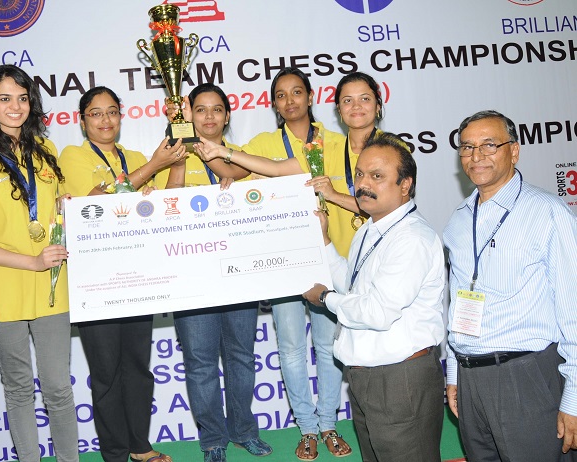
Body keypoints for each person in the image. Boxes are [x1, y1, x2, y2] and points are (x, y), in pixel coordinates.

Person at [194, 67, 356, 460]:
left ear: (310, 96)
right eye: (281, 95)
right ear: (273, 103)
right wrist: (206, 151)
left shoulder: (339, 141)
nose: (290, 101)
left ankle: (329, 424)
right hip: (285, 261)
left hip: (331, 255)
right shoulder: (264, 142)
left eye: (297, 92)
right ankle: (306, 428)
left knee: (328, 344)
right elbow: (234, 172)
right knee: (290, 347)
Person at [0, 64, 79, 462]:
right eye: (4, 98)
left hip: (53, 287)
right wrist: (31, 261)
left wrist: (66, 211)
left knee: (59, 387)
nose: (15, 106)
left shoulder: (48, 151)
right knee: (19, 387)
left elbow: (56, 209)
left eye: (23, 98)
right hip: (2, 292)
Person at [59, 85, 185, 462]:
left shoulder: (132, 157)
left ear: (121, 115)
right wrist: (154, 167)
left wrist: (175, 161)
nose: (105, 120)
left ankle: (140, 446)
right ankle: (114, 453)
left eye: (112, 111)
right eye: (96, 113)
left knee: (137, 367)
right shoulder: (72, 155)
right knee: (106, 372)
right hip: (96, 281)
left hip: (137, 275)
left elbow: (165, 202)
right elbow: (90, 205)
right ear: (82, 121)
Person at [303, 132, 446, 462]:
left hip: (399, 379)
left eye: (377, 176)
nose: (363, 184)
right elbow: (352, 286)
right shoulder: (371, 228)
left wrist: (325, 298)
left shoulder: (411, 238)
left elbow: (377, 312)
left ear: (405, 184)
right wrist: (324, 241)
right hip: (367, 375)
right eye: (360, 175)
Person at [444, 110, 577, 461]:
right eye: (468, 147)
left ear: (514, 151)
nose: (477, 156)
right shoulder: (458, 221)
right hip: (471, 381)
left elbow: (573, 310)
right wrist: (456, 370)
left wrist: (575, 397)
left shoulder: (547, 212)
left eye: (489, 145)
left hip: (527, 378)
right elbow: (459, 303)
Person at [157, 83, 272, 462]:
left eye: (217, 109)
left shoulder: (242, 162)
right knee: (201, 363)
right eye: (201, 109)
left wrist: (233, 187)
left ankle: (243, 430)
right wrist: (179, 161)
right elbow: (161, 208)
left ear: (227, 114)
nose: (209, 116)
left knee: (240, 356)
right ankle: (212, 440)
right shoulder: (172, 153)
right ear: (189, 113)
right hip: (190, 277)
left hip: (240, 274)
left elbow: (265, 204)